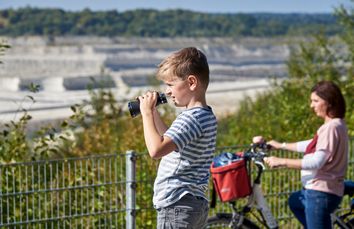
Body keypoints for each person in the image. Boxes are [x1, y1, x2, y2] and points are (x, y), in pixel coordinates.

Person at [138, 47, 217, 228]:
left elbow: (156, 149)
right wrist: (153, 112)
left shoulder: (191, 118)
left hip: (176, 204)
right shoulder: (205, 115)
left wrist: (146, 115)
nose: (167, 91)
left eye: (171, 84)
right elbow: (171, 141)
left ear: (191, 82)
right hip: (194, 205)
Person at [253, 80, 348, 229]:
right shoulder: (337, 125)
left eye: (316, 101)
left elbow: (317, 161)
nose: (312, 105)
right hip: (319, 192)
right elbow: (312, 145)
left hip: (320, 194)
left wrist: (281, 161)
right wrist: (281, 145)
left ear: (329, 102)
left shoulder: (331, 128)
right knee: (295, 201)